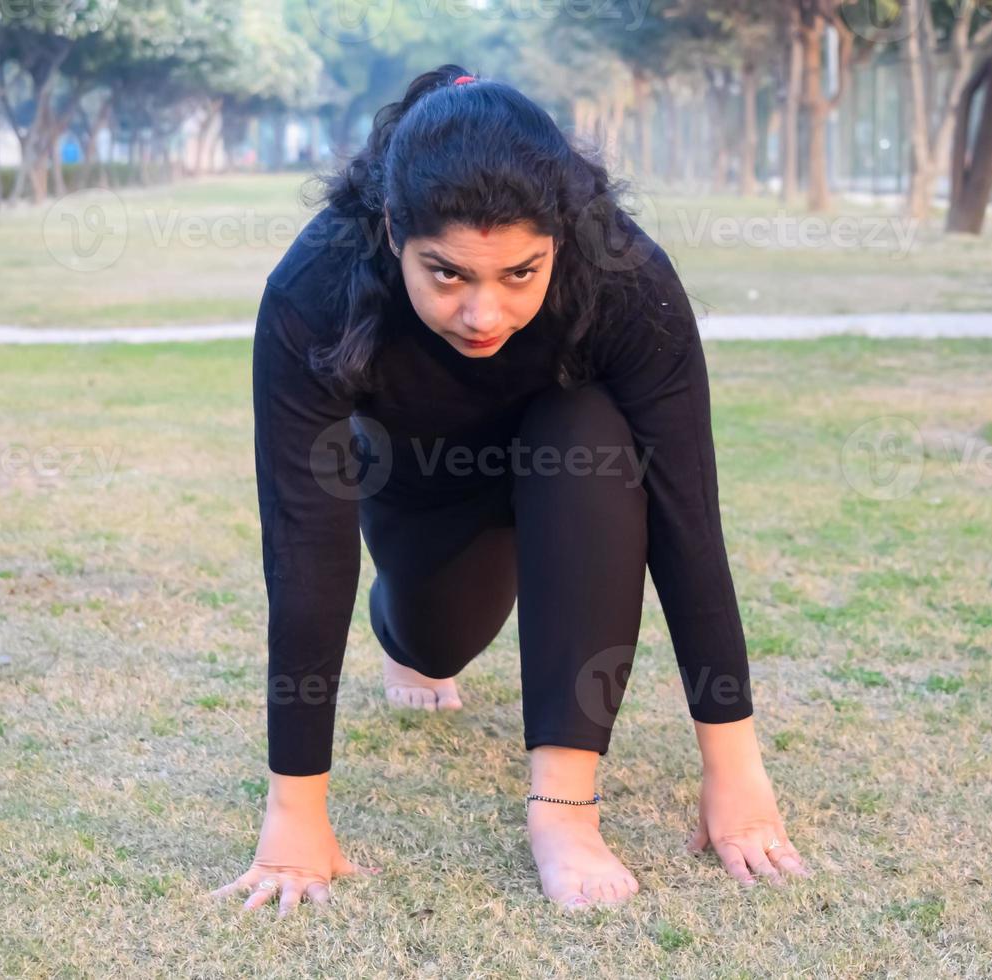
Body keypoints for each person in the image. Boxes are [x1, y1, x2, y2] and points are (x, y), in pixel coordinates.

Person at [211, 64, 809, 917]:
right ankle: (407, 632)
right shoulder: (313, 291)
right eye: (447, 274)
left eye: (519, 274)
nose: (483, 313)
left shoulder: (628, 280)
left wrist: (736, 771)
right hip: (422, 496)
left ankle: (565, 812)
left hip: (573, 484)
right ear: (391, 231)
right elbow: (304, 550)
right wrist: (294, 816)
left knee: (587, 428)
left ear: (560, 238)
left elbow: (688, 523)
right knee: (436, 640)